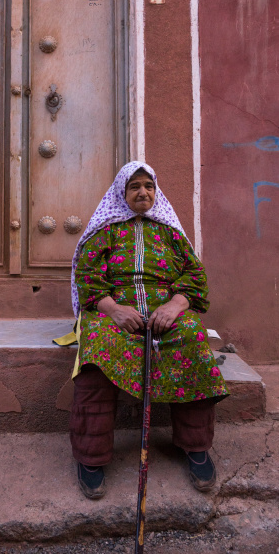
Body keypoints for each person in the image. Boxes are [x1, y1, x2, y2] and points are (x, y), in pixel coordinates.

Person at [69, 161, 228, 499]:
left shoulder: (170, 233)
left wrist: (174, 306)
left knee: (193, 341)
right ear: (121, 193)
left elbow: (195, 278)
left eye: (148, 186)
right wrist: (113, 309)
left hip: (165, 315)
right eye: (134, 186)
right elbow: (88, 278)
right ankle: (91, 456)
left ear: (156, 192)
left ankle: (196, 446)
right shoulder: (105, 231)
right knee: (96, 353)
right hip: (115, 314)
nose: (142, 192)